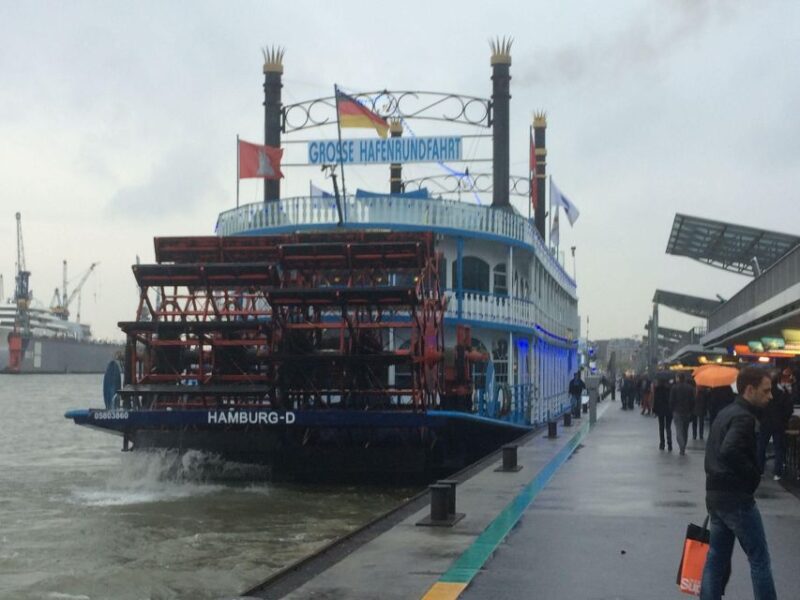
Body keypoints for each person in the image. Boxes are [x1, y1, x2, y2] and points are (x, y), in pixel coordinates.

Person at [700, 367, 777, 600]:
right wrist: (753, 474)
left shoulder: (726, 413)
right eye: (766, 391)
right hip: (737, 498)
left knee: (717, 558)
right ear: (749, 390)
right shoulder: (744, 417)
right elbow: (729, 450)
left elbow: (715, 450)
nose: (770, 396)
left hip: (715, 495)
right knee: (759, 559)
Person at [757, 371, 794, 480]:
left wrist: (761, 418)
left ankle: (760, 469)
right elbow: (789, 409)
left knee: (761, 446)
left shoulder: (766, 393)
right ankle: (777, 472)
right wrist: (784, 420)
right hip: (779, 424)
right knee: (779, 448)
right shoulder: (784, 394)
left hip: (766, 422)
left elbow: (760, 407)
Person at [669, 373, 695, 455]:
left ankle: (682, 446)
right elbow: (693, 401)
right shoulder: (690, 388)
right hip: (687, 411)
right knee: (685, 430)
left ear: (678, 378)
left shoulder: (674, 388)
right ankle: (683, 445)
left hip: (677, 411)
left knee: (679, 430)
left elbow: (671, 400)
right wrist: (691, 410)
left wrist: (672, 409)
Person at [652, 377, 672, 451]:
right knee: (668, 427)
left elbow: (656, 400)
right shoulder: (670, 389)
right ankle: (669, 443)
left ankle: (662, 443)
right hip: (669, 410)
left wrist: (654, 410)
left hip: (660, 410)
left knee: (661, 427)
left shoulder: (658, 389)